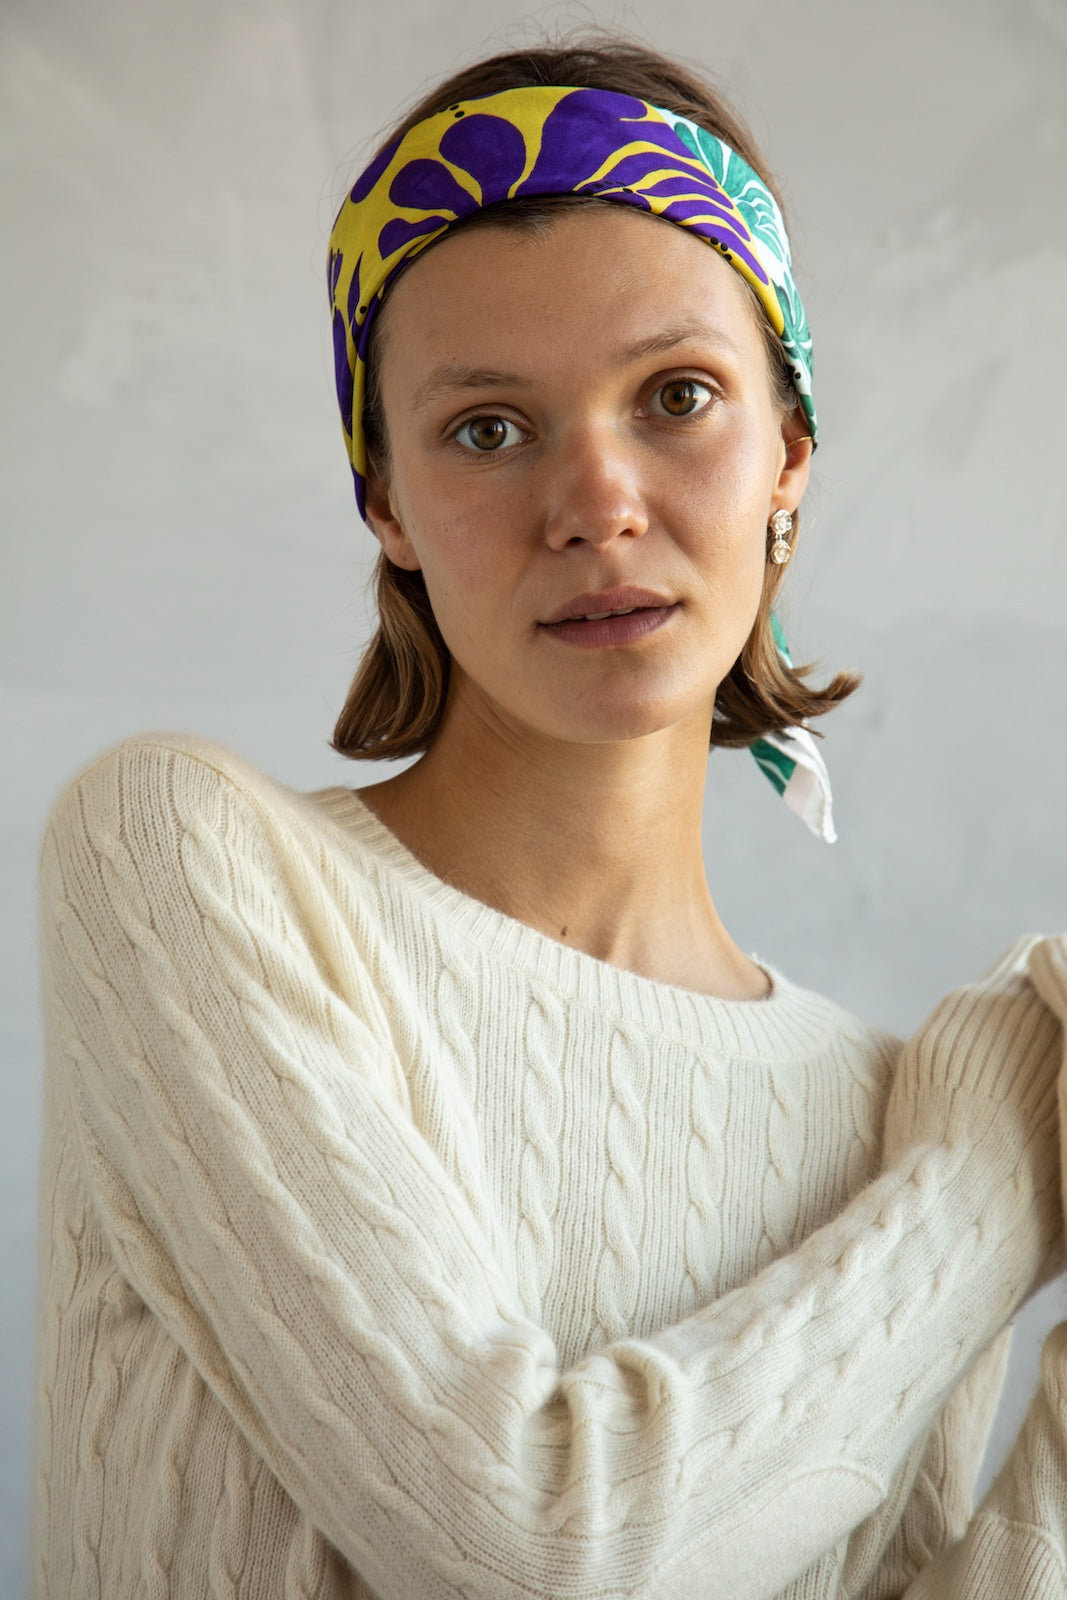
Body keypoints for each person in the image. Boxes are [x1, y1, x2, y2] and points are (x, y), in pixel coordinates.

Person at [33, 35, 1067, 1600]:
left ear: (790, 454)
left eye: (678, 397)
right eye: (488, 428)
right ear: (387, 501)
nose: (597, 504)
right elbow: (526, 1553)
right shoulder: (186, 859)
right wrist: (993, 1193)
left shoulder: (890, 1120)